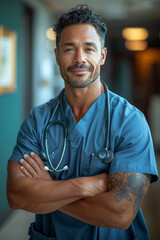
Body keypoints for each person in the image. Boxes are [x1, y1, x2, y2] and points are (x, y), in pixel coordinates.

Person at [7, 4, 158, 240]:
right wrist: (86, 186)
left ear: (102, 55)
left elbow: (121, 213)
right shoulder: (38, 120)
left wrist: (47, 193)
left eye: (89, 49)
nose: (80, 59)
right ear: (57, 56)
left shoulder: (130, 122)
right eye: (69, 49)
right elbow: (16, 195)